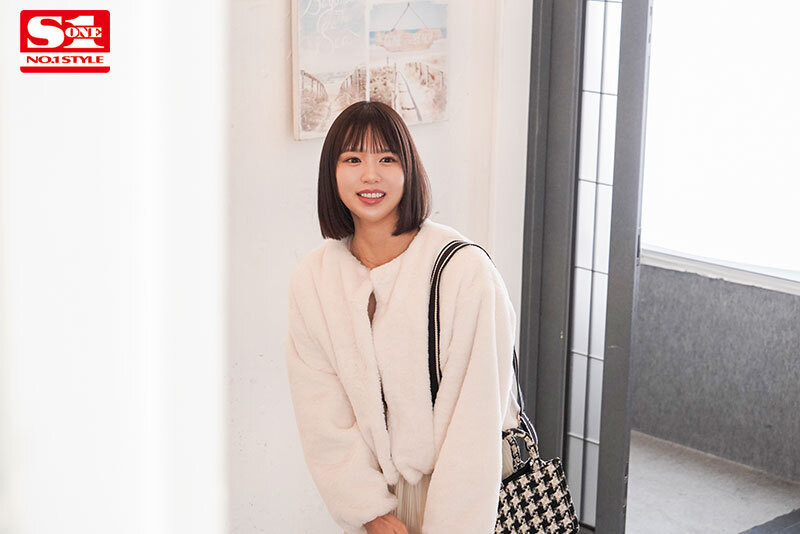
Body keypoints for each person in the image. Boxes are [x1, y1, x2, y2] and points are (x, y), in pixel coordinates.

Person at [285, 101, 521, 534]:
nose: (369, 175)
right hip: (378, 507)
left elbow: (474, 424)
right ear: (331, 173)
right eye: (352, 159)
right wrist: (368, 510)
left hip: (465, 498)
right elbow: (322, 414)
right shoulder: (314, 280)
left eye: (386, 159)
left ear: (408, 169)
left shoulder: (465, 273)